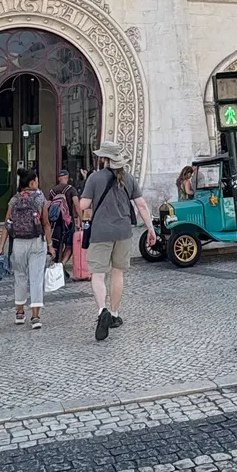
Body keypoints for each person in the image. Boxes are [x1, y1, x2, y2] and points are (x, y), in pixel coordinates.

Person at [79, 141, 155, 341]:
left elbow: (83, 204)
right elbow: (141, 205)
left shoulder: (95, 178)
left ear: (103, 158)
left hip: (100, 232)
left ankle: (102, 310)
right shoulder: (129, 178)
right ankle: (114, 314)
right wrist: (150, 228)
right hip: (123, 232)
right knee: (117, 273)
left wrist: (86, 188)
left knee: (98, 274)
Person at [0, 170, 53, 329]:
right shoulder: (40, 199)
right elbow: (46, 223)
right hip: (37, 242)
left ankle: (20, 313)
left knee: (20, 277)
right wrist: (50, 245)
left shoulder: (14, 199)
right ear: (32, 182)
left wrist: (1, 246)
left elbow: (7, 223)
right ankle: (35, 317)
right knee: (36, 278)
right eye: (37, 180)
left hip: (18, 243)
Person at [48, 170, 77, 273]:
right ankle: (62, 264)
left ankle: (56, 263)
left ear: (59, 179)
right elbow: (76, 204)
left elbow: (48, 205)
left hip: (55, 223)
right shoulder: (71, 189)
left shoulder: (52, 191)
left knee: (57, 243)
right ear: (67, 178)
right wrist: (80, 219)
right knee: (70, 244)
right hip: (68, 222)